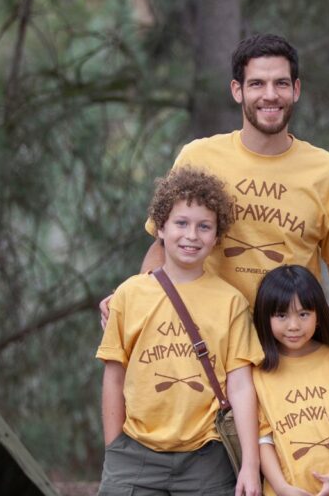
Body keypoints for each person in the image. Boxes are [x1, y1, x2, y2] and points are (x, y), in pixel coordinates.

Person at [100, 33, 329, 324]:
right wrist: (132, 301)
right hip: (209, 343)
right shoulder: (199, 157)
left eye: (281, 83)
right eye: (257, 84)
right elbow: (163, 249)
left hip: (290, 346)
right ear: (237, 90)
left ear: (296, 89)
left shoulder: (327, 172)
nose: (270, 95)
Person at [96, 167, 262, 495]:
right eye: (181, 223)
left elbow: (241, 386)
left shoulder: (230, 302)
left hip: (205, 457)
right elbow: (114, 376)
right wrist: (114, 448)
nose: (191, 235)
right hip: (135, 453)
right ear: (160, 227)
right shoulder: (129, 294)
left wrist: (250, 466)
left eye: (204, 227)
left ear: (216, 237)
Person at [252, 265, 329, 495]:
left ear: (318, 315)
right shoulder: (259, 372)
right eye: (282, 315)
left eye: (303, 314)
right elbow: (264, 439)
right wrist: (282, 488)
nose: (293, 326)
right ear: (266, 317)